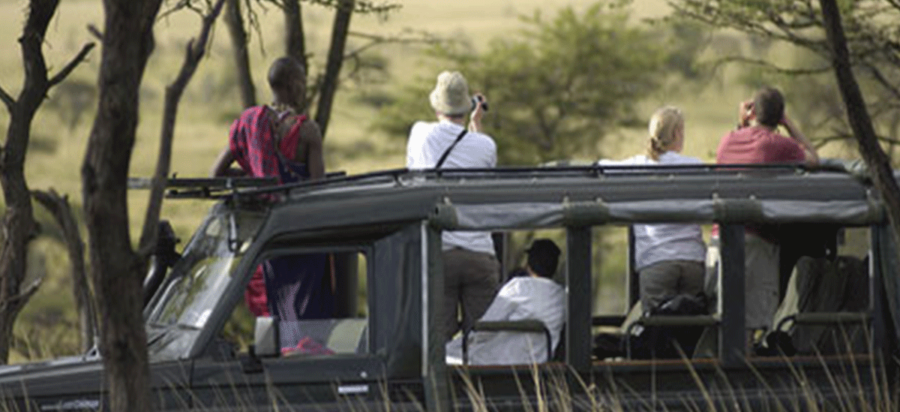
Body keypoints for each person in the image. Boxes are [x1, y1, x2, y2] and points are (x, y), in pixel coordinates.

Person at [210, 56, 332, 320]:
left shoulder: (248, 125)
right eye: (302, 82)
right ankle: (299, 347)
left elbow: (216, 173)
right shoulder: (307, 131)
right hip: (298, 244)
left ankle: (280, 351)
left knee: (270, 329)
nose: (304, 88)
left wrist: (254, 174)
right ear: (292, 84)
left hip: (265, 243)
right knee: (303, 321)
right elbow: (317, 189)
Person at [715, 86, 819, 336]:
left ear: (752, 113)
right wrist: (789, 124)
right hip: (756, 241)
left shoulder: (728, 140)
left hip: (719, 238)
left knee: (724, 320)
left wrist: (741, 125)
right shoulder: (781, 146)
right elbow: (814, 159)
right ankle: (746, 373)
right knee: (750, 324)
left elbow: (737, 150)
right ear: (779, 116)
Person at [406, 71, 500, 341]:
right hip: (479, 254)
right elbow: (480, 169)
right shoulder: (485, 145)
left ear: (437, 106)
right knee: (483, 342)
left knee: (439, 342)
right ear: (468, 107)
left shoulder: (420, 134)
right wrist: (476, 124)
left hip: (439, 251)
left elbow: (414, 174)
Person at [598, 107, 707, 312]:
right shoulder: (695, 166)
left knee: (656, 328)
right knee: (692, 326)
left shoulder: (638, 165)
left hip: (656, 260)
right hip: (693, 260)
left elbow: (600, 167)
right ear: (676, 134)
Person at [445, 239, 566, 365]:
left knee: (448, 356)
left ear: (528, 264)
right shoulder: (561, 296)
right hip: (537, 363)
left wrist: (456, 344)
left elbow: (486, 327)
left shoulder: (518, 287)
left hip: (499, 362)